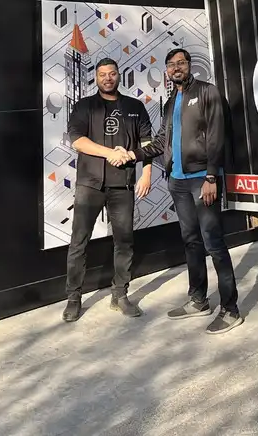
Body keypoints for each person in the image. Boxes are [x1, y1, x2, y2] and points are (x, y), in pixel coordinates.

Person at [137, 48, 243, 334]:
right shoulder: (170, 102)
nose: (176, 68)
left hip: (202, 180)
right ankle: (198, 300)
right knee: (191, 241)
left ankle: (230, 309)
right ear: (167, 72)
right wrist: (131, 154)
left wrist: (212, 176)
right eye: (171, 65)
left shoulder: (208, 92)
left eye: (180, 63)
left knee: (214, 243)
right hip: (178, 182)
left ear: (190, 65)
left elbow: (218, 136)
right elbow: (161, 141)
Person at [62, 58, 154, 323]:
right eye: (102, 74)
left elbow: (147, 142)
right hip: (89, 184)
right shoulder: (84, 106)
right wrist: (111, 154)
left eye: (112, 73)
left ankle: (120, 294)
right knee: (79, 243)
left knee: (124, 242)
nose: (107, 78)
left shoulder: (135, 106)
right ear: (97, 78)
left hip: (122, 184)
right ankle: (73, 298)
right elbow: (77, 141)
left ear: (118, 76)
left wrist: (146, 173)